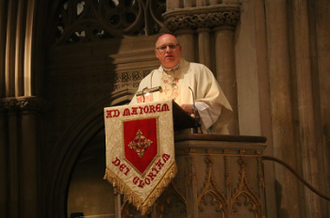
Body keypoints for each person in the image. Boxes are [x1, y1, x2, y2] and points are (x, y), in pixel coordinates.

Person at [130, 33, 233, 134]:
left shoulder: (199, 71)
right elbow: (132, 113)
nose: (168, 50)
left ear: (180, 49)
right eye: (163, 47)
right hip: (160, 138)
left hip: (192, 137)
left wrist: (194, 108)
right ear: (157, 53)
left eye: (172, 46)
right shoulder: (148, 81)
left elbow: (217, 103)